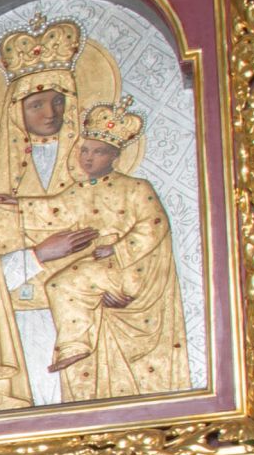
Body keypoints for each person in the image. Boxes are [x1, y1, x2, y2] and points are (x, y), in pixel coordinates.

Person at [0, 16, 122, 418]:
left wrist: (121, 279)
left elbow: (131, 237)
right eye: (36, 104)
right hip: (12, 335)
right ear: (15, 111)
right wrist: (36, 256)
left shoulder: (99, 178)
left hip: (91, 330)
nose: (50, 112)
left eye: (58, 101)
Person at [36, 100, 190, 406]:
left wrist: (118, 249)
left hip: (132, 271)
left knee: (61, 283)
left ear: (115, 156)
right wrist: (16, 205)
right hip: (98, 272)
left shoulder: (136, 188)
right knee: (55, 284)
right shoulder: (80, 190)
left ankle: (74, 345)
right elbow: (51, 209)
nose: (88, 157)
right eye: (85, 150)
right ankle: (75, 347)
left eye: (98, 152)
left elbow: (154, 226)